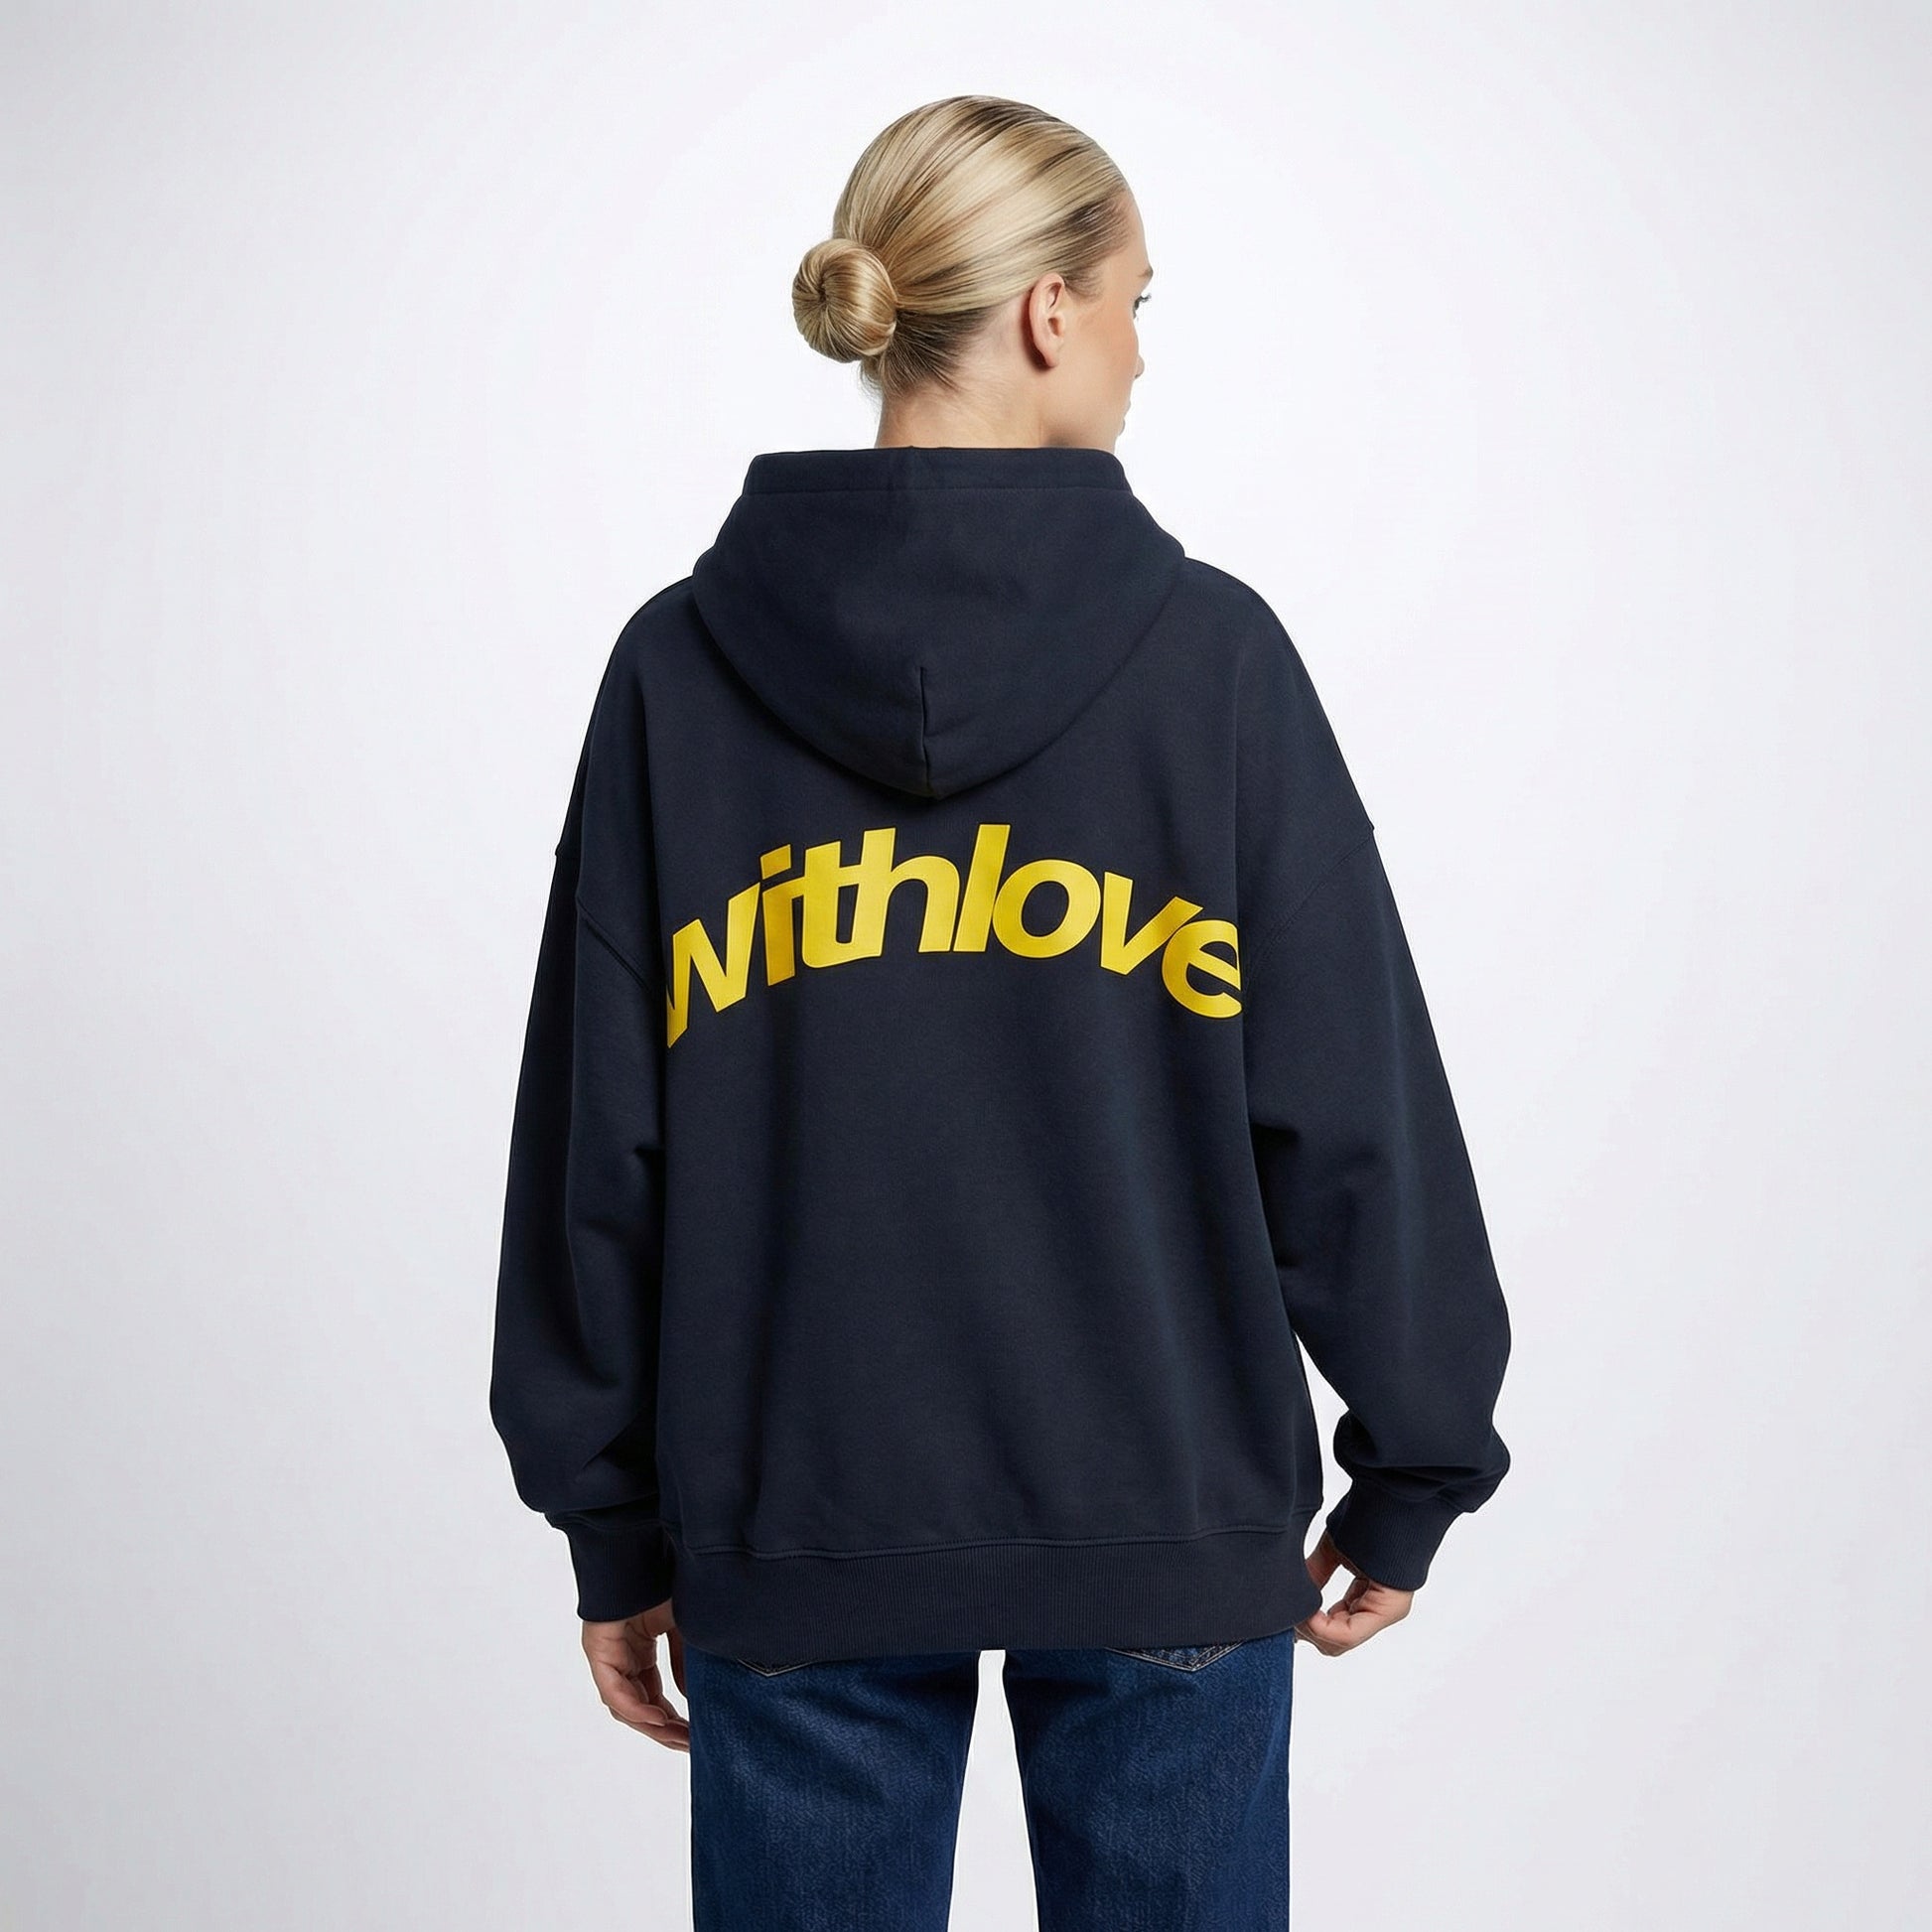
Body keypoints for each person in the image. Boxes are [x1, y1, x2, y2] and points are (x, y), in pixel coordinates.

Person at [490, 93, 1512, 1931]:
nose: (1139, 349)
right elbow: (1347, 1102)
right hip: (1163, 1510)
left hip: (792, 1516)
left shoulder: (676, 666)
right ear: (1050, 312)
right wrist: (1414, 1455)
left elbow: (594, 1141)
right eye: (1134, 300)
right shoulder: (1209, 658)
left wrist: (610, 1516)